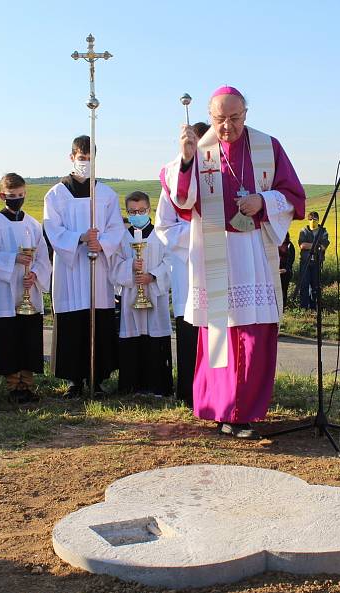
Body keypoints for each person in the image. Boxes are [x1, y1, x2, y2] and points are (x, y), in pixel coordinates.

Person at [162, 85, 305, 439]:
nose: (227, 126)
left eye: (235, 118)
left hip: (254, 250)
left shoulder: (268, 147)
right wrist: (185, 159)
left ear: (246, 113)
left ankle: (246, 413)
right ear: (210, 117)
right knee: (219, 335)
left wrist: (263, 199)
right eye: (220, 119)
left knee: (253, 333)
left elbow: (294, 195)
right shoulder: (201, 150)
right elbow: (181, 198)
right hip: (215, 249)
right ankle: (220, 409)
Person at [44, 135, 125, 398]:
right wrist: (79, 237)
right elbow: (52, 228)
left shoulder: (106, 193)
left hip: (97, 267)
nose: (85, 163)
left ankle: (97, 379)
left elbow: (116, 228)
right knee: (72, 321)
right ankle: (74, 380)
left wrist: (101, 244)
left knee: (98, 320)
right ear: (72, 157)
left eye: (90, 159)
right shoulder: (56, 194)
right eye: (81, 158)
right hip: (70, 269)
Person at [0, 173, 51, 403]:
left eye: (20, 195)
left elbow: (43, 256)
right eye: (12, 196)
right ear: (3, 195)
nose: (17, 199)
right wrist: (13, 259)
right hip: (6, 292)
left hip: (29, 289)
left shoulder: (32, 224)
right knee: (10, 338)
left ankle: (28, 384)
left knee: (29, 337)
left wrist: (35, 274)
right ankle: (13, 385)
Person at [155, 122, 209, 406]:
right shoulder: (173, 178)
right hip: (187, 266)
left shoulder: (219, 175)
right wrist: (198, 233)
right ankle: (188, 392)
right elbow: (163, 226)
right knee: (190, 328)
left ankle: (216, 391)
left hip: (218, 263)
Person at [110, 191, 172, 395]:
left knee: (155, 337)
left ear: (150, 209)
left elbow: (171, 262)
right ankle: (132, 386)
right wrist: (130, 268)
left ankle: (158, 387)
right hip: (131, 297)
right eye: (132, 211)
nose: (137, 214)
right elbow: (114, 265)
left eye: (142, 210)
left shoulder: (161, 235)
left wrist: (153, 276)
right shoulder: (122, 238)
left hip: (155, 295)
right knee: (132, 338)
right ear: (126, 211)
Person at [297, 210, 329, 310]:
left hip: (317, 262)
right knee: (304, 284)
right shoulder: (304, 230)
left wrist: (310, 246)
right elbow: (302, 245)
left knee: (316, 285)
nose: (312, 221)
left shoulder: (323, 231)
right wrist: (316, 246)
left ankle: (314, 306)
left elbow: (323, 246)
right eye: (310, 219)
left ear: (318, 220)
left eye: (314, 219)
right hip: (305, 261)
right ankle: (304, 307)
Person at [278, 232, 295, 307]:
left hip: (285, 271)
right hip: (276, 271)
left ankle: (283, 307)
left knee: (283, 290)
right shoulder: (275, 244)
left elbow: (291, 259)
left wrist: (286, 269)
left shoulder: (289, 245)